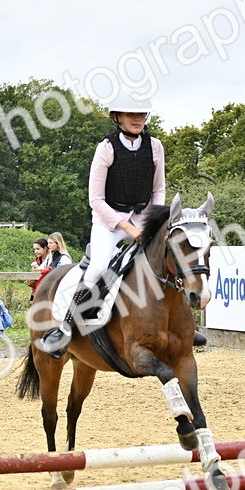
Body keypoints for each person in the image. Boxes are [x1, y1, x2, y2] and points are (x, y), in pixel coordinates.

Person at [39, 94, 165, 357]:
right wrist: (127, 228)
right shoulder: (106, 148)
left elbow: (159, 190)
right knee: (98, 267)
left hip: (143, 216)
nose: (137, 119)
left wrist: (153, 221)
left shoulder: (155, 147)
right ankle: (66, 328)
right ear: (117, 117)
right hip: (109, 220)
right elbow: (95, 200)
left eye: (141, 114)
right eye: (131, 114)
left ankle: (179, 324)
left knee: (167, 257)